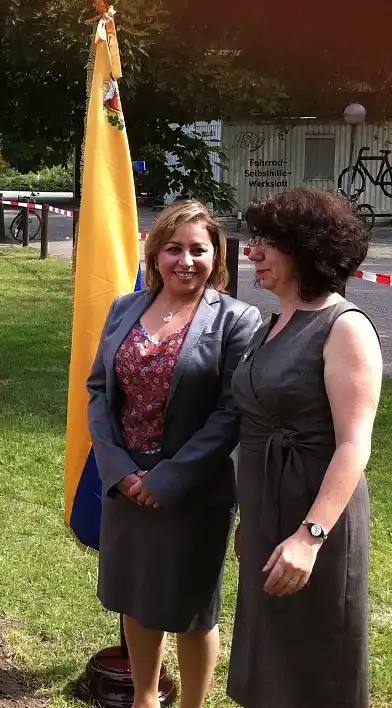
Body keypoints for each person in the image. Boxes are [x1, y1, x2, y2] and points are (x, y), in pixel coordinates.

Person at [87, 200, 261, 708]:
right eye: (174, 249)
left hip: (192, 492)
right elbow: (98, 390)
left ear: (217, 256)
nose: (186, 261)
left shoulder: (237, 320)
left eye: (199, 250)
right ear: (156, 253)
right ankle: (145, 699)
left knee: (193, 610)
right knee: (136, 600)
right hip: (127, 485)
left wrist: (167, 480)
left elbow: (231, 413)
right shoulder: (125, 308)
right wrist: (120, 472)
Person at [228, 187, 382, 708]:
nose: (253, 253)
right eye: (254, 241)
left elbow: (354, 445)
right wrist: (252, 517)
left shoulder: (345, 327)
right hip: (268, 509)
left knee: (314, 663)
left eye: (269, 243)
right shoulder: (271, 324)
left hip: (316, 517)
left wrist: (310, 537)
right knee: (268, 657)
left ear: (307, 249)